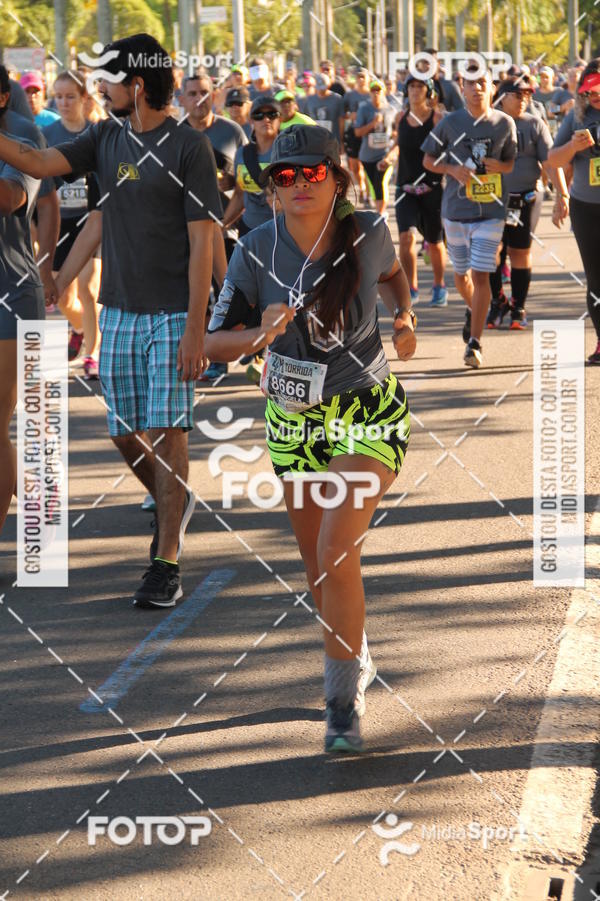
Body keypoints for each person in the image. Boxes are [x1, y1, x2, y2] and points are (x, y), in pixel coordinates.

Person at [204, 125, 416, 752]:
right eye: (284, 176)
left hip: (366, 411)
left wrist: (403, 316)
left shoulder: (370, 231)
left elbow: (396, 271)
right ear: (271, 185)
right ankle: (354, 649)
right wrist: (258, 335)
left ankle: (341, 706)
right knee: (316, 564)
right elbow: (213, 345)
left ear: (337, 177)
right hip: (292, 417)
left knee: (335, 548)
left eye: (311, 173)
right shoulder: (252, 249)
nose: (297, 184)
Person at [0, 34, 223, 606]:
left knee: (168, 431)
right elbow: (45, 170)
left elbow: (204, 242)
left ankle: (165, 562)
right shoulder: (105, 137)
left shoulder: (188, 148)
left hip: (174, 312)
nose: (99, 88)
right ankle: (176, 500)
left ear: (137, 85)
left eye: (107, 79)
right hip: (119, 311)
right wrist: (59, 275)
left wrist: (198, 327)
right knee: (125, 433)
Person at [422, 67, 517, 368]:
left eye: (482, 83)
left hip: (491, 210)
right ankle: (475, 308)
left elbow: (510, 164)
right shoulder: (451, 122)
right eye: (470, 83)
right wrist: (451, 169)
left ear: (492, 89)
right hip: (455, 211)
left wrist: (497, 166)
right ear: (462, 88)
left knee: (481, 273)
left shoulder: (505, 123)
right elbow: (427, 159)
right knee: (461, 275)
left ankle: (474, 344)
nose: (477, 88)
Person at [0, 67, 58, 536]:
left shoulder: (25, 135)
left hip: (11, 291)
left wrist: (51, 265)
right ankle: (40, 499)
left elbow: (12, 198)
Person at [179, 73, 248, 381]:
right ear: (181, 99)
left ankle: (225, 351)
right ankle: (205, 351)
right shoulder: (174, 135)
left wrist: (222, 221)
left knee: (227, 292)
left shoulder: (232, 132)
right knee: (198, 293)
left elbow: (244, 186)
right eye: (192, 93)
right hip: (186, 230)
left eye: (205, 92)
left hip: (227, 226)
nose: (199, 99)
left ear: (215, 96)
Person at [43, 70, 102, 379]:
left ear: (83, 99)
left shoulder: (96, 133)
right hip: (60, 221)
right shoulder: (49, 135)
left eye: (70, 97)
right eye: (59, 96)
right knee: (62, 296)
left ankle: (92, 354)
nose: (64, 103)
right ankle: (82, 328)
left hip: (92, 218)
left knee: (89, 289)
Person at [486, 79, 555, 330]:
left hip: (524, 198)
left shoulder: (534, 124)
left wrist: (563, 195)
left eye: (527, 95)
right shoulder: (488, 122)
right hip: (492, 198)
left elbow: (549, 160)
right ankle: (497, 300)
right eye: (518, 94)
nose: (524, 99)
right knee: (491, 252)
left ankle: (518, 306)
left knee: (519, 252)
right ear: (502, 97)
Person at [548, 58, 600, 364]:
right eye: (589, 90)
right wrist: (573, 148)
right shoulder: (576, 117)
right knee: (596, 279)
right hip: (586, 208)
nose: (594, 97)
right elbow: (553, 160)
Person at [380, 75, 447, 305]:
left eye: (420, 86)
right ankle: (411, 287)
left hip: (432, 188)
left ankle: (439, 285)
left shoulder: (437, 118)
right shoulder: (401, 117)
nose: (415, 90)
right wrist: (389, 157)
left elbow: (446, 149)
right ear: (406, 90)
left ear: (428, 92)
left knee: (435, 242)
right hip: (405, 187)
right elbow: (399, 145)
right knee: (406, 237)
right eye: (411, 86)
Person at [223, 93, 281, 238]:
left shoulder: (289, 153)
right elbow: (239, 195)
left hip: (280, 229)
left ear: (279, 119)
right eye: (258, 115)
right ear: (251, 121)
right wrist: (222, 226)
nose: (266, 119)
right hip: (249, 230)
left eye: (272, 114)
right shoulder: (242, 154)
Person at [354, 79, 396, 213]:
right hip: (367, 156)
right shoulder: (364, 109)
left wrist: (394, 135)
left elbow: (397, 131)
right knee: (374, 185)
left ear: (384, 92)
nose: (376, 93)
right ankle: (380, 212)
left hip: (385, 155)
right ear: (370, 93)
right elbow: (358, 132)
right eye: (373, 90)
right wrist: (372, 124)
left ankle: (380, 215)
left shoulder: (391, 110)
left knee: (380, 183)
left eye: (378, 90)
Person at [343, 68, 370, 202]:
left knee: (368, 164)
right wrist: (350, 116)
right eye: (358, 77)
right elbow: (342, 114)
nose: (361, 80)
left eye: (363, 77)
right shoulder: (349, 95)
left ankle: (368, 193)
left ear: (368, 79)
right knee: (354, 166)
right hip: (353, 132)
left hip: (369, 133)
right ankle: (362, 187)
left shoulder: (372, 94)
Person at [305, 74, 345, 149]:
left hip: (332, 139)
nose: (321, 91)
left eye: (323, 88)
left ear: (329, 85)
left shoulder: (337, 99)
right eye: (319, 88)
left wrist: (341, 140)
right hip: (315, 140)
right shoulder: (309, 100)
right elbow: (306, 120)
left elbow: (341, 121)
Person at [534, 66, 574, 135]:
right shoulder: (534, 93)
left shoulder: (560, 92)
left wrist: (560, 108)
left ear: (553, 79)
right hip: (539, 129)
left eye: (546, 77)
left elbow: (567, 108)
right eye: (541, 77)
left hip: (557, 129)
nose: (544, 79)